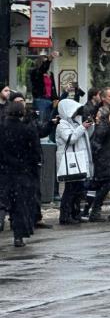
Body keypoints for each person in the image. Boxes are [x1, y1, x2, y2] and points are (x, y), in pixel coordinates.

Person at [0, 100, 42, 246]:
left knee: (3, 201)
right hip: (22, 172)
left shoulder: (2, 128)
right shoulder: (26, 129)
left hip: (4, 171)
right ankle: (18, 236)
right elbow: (35, 151)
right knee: (19, 205)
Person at [55, 98, 94, 225]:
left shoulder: (76, 123)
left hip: (79, 160)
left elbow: (85, 136)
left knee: (78, 189)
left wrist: (89, 126)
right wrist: (82, 127)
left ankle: (75, 213)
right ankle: (65, 215)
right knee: (70, 189)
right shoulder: (62, 124)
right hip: (70, 161)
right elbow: (70, 138)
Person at [29, 55, 57, 126]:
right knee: (41, 122)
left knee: (50, 121)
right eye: (44, 62)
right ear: (40, 63)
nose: (47, 64)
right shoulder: (35, 72)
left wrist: (55, 98)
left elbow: (53, 87)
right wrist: (49, 60)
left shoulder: (50, 74)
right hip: (40, 99)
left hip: (50, 99)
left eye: (47, 62)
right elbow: (41, 70)